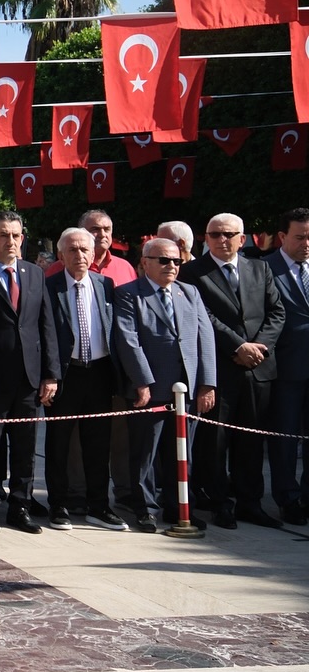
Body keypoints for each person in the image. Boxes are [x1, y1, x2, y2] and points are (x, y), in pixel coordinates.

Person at [180, 214, 284, 529]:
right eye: (215, 234)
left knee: (251, 441)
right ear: (205, 238)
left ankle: (250, 503)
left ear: (242, 238)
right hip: (220, 368)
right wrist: (238, 347)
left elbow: (276, 312)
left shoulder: (259, 267)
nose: (222, 240)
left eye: (229, 234)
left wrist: (258, 348)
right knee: (216, 441)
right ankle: (219, 502)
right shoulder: (192, 272)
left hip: (257, 368)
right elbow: (204, 316)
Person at [112, 237, 217, 533]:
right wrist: (142, 381)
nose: (171, 266)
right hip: (152, 389)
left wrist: (207, 383)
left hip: (188, 388)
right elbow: (128, 339)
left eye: (176, 261)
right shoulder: (129, 294)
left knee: (182, 452)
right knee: (145, 452)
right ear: (145, 262)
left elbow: (204, 337)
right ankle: (145, 508)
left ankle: (179, 506)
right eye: (164, 260)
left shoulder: (190, 292)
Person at [0, 211, 60, 535]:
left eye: (16, 235)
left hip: (29, 379)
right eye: (4, 235)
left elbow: (46, 327)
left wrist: (51, 374)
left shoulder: (35, 274)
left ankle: (20, 506)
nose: (11, 241)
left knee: (25, 448)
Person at [44, 228, 125, 532]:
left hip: (100, 372)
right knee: (59, 445)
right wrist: (49, 375)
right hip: (66, 375)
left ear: (94, 255)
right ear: (61, 255)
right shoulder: (50, 287)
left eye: (84, 250)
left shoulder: (106, 285)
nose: (79, 256)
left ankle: (99, 505)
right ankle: (59, 505)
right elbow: (46, 335)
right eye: (72, 250)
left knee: (98, 444)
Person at [265, 208, 309, 525]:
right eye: (300, 237)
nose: (307, 243)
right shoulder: (265, 269)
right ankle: (288, 498)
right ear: (283, 237)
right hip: (285, 371)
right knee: (284, 439)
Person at [45, 210, 137, 286]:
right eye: (95, 229)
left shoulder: (125, 267)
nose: (102, 235)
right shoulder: (58, 269)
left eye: (106, 229)